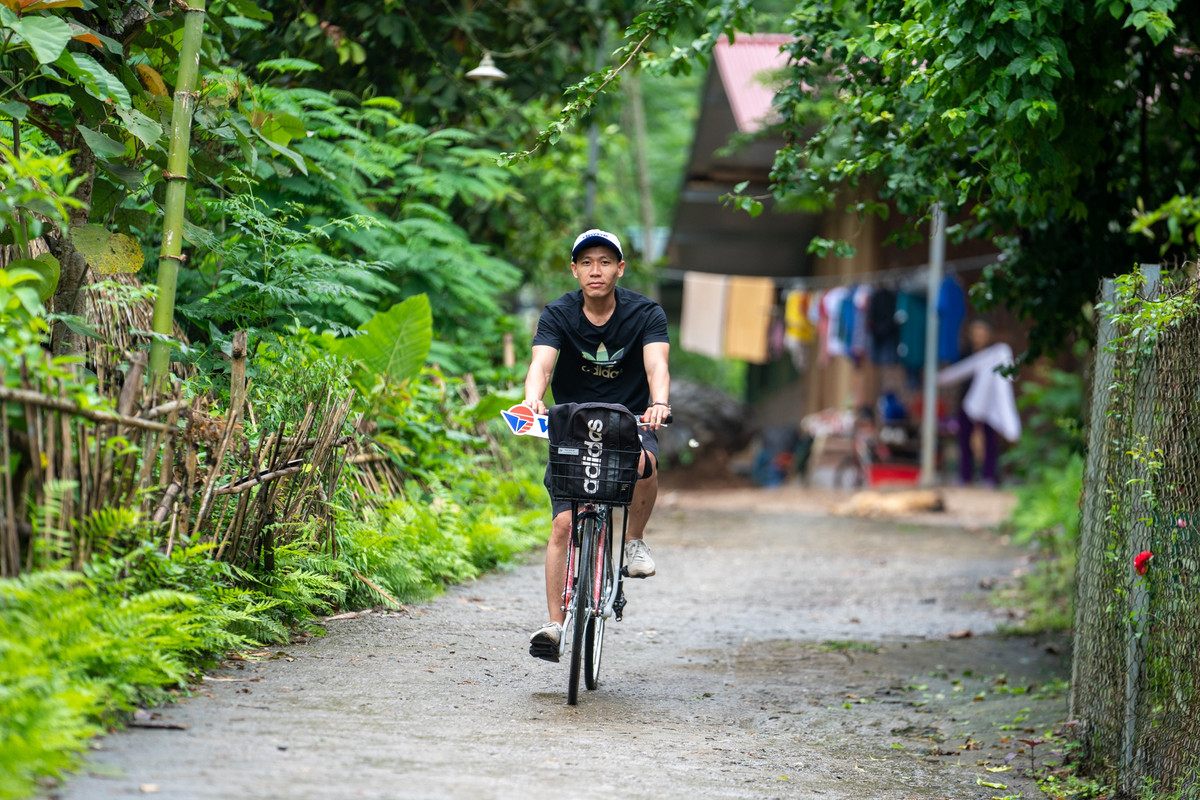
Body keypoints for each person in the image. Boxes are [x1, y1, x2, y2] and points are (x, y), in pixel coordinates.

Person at [521, 229, 671, 662]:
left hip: (631, 420)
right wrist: (534, 397)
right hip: (571, 422)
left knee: (644, 463)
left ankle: (635, 542)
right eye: (586, 262)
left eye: (605, 261)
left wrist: (659, 402)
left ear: (620, 269)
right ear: (574, 269)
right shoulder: (558, 313)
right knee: (563, 526)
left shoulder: (645, 313)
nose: (595, 270)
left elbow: (657, 363)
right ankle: (554, 624)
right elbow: (541, 364)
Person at [936, 319, 1021, 486]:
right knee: (964, 439)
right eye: (975, 331)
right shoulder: (965, 354)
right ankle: (965, 475)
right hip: (966, 402)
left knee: (990, 440)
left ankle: (988, 476)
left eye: (982, 332)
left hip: (990, 406)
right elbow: (956, 374)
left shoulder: (996, 354)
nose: (978, 335)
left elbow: (1009, 375)